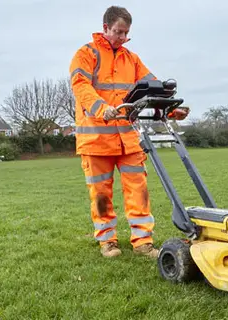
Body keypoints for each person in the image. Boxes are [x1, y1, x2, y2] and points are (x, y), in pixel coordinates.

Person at [69, 6, 188, 258]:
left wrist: (169, 108)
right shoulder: (85, 54)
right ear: (105, 28)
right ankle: (107, 241)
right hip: (96, 138)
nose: (123, 38)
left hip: (128, 140)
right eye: (118, 32)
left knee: (139, 191)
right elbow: (80, 86)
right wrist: (103, 108)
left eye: (127, 33)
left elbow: (152, 88)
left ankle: (143, 241)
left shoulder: (131, 59)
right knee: (101, 194)